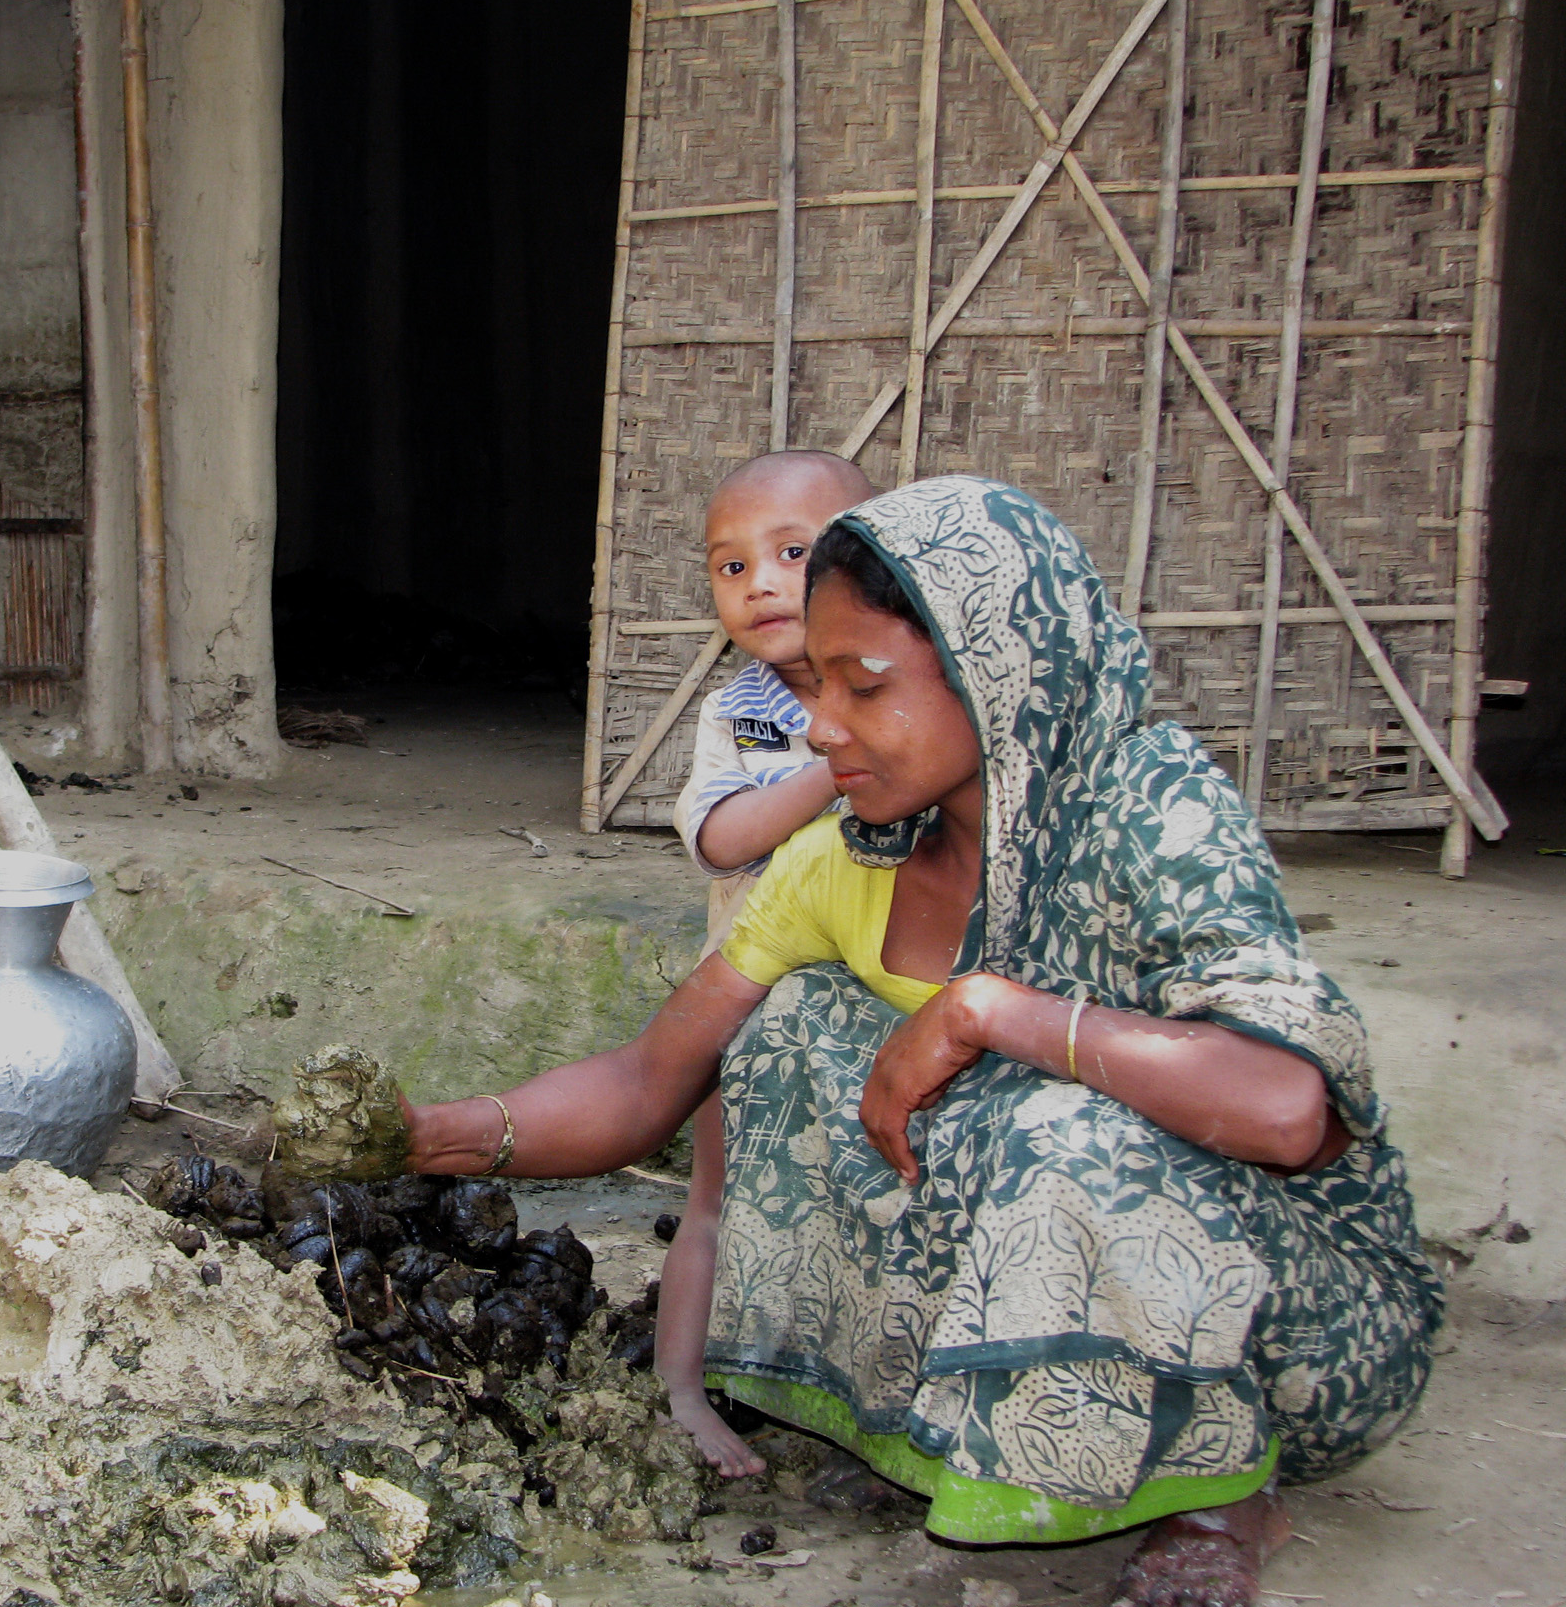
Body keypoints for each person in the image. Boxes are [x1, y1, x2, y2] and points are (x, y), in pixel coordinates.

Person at [398, 477, 1442, 1607]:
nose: (819, 724)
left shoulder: (1151, 808)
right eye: (820, 679)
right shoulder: (861, 848)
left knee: (1063, 1120)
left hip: (1298, 1327)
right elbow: (656, 1076)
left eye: (866, 685)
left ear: (995, 675)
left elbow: (1289, 1109)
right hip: (1097, 1259)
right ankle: (914, 1418)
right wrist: (440, 1137)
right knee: (792, 1034)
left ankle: (1221, 1493)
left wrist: (991, 1010)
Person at [659, 450, 874, 1478]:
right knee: (715, 1192)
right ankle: (684, 1389)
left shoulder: (906, 690)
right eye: (731, 567)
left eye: (793, 553)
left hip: (868, 998)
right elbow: (723, 838)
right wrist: (840, 769)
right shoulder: (738, 713)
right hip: (743, 993)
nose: (761, 584)